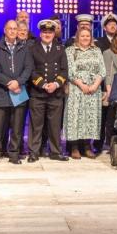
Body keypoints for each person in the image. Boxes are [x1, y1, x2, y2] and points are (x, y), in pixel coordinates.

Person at [0, 19, 30, 165]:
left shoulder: (24, 49)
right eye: (9, 28)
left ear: (18, 31)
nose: (12, 31)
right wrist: (8, 83)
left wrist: (18, 82)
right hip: (1, 92)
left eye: (15, 29)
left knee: (17, 127)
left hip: (19, 90)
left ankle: (14, 154)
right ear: (5, 30)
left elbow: (28, 69)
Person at [28, 18, 69, 161]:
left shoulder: (60, 48)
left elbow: (64, 71)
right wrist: (44, 85)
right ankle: (34, 152)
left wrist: (56, 84)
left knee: (55, 125)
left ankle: (55, 152)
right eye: (44, 32)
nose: (47, 34)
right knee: (36, 125)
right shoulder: (32, 48)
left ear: (54, 33)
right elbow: (31, 71)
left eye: (50, 32)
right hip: (38, 93)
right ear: (40, 33)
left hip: (56, 93)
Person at [65, 23, 105, 159]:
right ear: (77, 36)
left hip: (94, 89)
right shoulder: (71, 50)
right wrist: (81, 85)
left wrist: (95, 85)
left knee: (90, 117)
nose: (85, 38)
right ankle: (75, 147)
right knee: (76, 117)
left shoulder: (97, 50)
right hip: (77, 88)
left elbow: (102, 70)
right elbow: (70, 70)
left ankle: (87, 146)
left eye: (88, 36)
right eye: (82, 35)